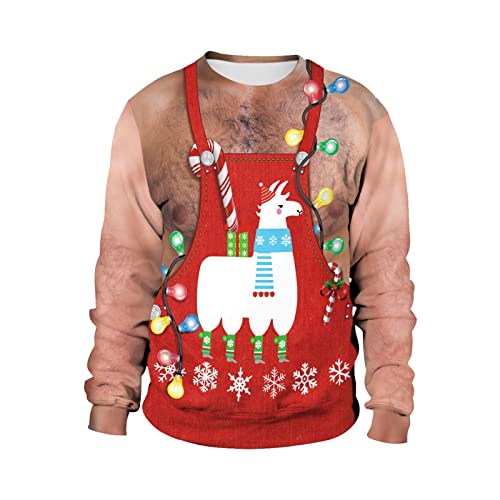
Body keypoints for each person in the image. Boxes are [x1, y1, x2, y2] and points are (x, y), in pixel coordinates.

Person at [84, 51, 416, 446]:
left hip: (331, 435)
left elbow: (384, 270)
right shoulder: (151, 113)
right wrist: (109, 404)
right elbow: (125, 271)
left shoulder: (356, 113)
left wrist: (392, 407)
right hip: (173, 435)